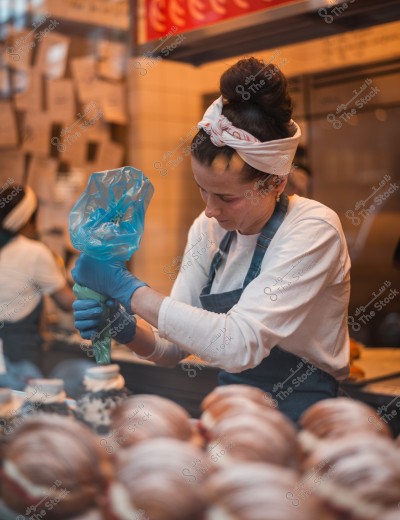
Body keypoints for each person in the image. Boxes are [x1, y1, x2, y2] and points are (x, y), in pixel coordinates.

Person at [72, 57, 351, 422]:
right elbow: (172, 345)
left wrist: (128, 289)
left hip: (303, 416)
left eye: (226, 197)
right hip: (228, 413)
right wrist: (125, 327)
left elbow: (237, 346)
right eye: (202, 190)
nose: (209, 211)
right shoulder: (208, 229)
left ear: (276, 183)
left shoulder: (314, 230)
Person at [0, 184, 75, 369]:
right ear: (27, 219)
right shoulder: (35, 252)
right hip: (18, 355)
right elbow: (67, 302)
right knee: (26, 397)